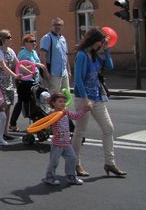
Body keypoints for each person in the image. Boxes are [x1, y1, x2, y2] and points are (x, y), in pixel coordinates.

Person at [71, 27, 127, 178]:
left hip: (97, 97)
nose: (102, 45)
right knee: (80, 132)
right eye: (101, 42)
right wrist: (85, 99)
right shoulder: (82, 55)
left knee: (108, 128)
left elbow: (109, 66)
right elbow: (78, 80)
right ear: (94, 40)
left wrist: (107, 50)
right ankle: (75, 163)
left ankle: (110, 163)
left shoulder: (95, 55)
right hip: (83, 99)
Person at [42, 92, 91, 186]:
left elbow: (75, 117)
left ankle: (71, 176)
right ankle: (49, 177)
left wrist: (84, 110)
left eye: (64, 101)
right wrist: (53, 117)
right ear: (53, 103)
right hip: (57, 143)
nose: (63, 103)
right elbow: (47, 124)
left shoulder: (65, 112)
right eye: (60, 101)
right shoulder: (53, 113)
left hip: (66, 142)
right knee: (54, 162)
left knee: (72, 158)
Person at [10, 34, 50, 132]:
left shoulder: (34, 52)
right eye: (31, 41)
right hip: (24, 82)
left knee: (35, 102)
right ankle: (13, 123)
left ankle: (37, 123)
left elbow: (36, 67)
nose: (34, 43)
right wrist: (34, 66)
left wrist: (39, 74)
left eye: (35, 41)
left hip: (34, 81)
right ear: (26, 43)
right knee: (22, 102)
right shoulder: (23, 54)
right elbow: (19, 69)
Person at [0, 29, 20, 142]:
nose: (11, 39)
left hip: (9, 83)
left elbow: (17, 63)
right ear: (3, 39)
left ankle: (5, 132)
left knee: (8, 107)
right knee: (1, 108)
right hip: (0, 83)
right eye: (9, 37)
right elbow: (3, 66)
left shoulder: (11, 51)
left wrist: (29, 70)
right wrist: (15, 75)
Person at [40, 18, 71, 93]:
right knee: (54, 96)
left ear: (62, 26)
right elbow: (42, 56)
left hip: (64, 72)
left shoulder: (63, 39)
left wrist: (69, 70)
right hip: (53, 74)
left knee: (66, 95)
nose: (57, 27)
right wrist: (46, 72)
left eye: (59, 25)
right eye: (55, 25)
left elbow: (65, 56)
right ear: (51, 26)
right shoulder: (47, 38)